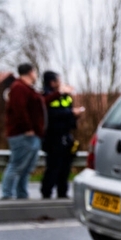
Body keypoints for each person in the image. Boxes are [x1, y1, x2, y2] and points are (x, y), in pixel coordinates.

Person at [1, 63, 45, 200]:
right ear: (30, 72)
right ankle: (7, 194)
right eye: (34, 72)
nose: (35, 75)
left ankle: (22, 194)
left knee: (26, 168)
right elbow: (19, 109)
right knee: (17, 165)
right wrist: (28, 129)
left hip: (31, 134)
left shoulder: (27, 89)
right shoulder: (19, 88)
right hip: (23, 134)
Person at [40, 71, 85, 199]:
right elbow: (51, 114)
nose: (61, 83)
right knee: (53, 166)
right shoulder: (46, 96)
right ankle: (46, 192)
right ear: (52, 82)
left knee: (65, 166)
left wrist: (75, 116)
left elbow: (68, 111)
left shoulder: (66, 96)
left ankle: (62, 192)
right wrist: (71, 113)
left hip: (66, 135)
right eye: (58, 81)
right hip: (53, 136)